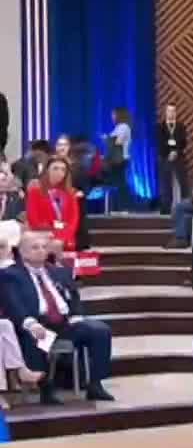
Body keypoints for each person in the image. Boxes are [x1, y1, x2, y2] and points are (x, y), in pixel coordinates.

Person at [1, 231, 114, 404]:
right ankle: (46, 388)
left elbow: (73, 298)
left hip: (65, 323)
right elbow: (13, 304)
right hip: (37, 323)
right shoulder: (11, 275)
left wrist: (76, 315)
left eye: (44, 247)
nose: (41, 251)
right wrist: (30, 323)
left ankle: (95, 384)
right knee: (39, 336)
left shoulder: (59, 272)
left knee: (100, 330)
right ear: (22, 252)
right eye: (35, 247)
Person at [25, 156, 80, 253]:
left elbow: (73, 221)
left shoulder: (70, 194)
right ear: (47, 170)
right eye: (55, 168)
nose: (59, 172)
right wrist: (53, 231)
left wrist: (62, 237)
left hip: (65, 239)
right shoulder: (35, 192)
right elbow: (33, 220)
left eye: (63, 170)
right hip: (42, 238)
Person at [156, 103, 189, 215]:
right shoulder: (160, 127)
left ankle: (185, 208)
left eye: (173, 111)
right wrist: (169, 153)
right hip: (165, 157)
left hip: (179, 157)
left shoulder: (181, 126)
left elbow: (184, 142)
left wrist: (176, 152)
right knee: (165, 184)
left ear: (176, 112)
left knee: (184, 184)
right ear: (166, 112)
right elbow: (159, 142)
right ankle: (165, 209)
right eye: (169, 111)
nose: (171, 113)